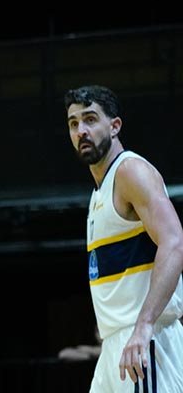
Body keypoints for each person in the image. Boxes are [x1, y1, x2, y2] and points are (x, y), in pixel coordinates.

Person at [65, 85, 183, 391]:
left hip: (146, 340)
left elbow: (174, 242)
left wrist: (143, 327)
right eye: (74, 123)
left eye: (90, 119)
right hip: (114, 345)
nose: (82, 130)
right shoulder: (98, 191)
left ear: (115, 126)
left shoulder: (131, 172)